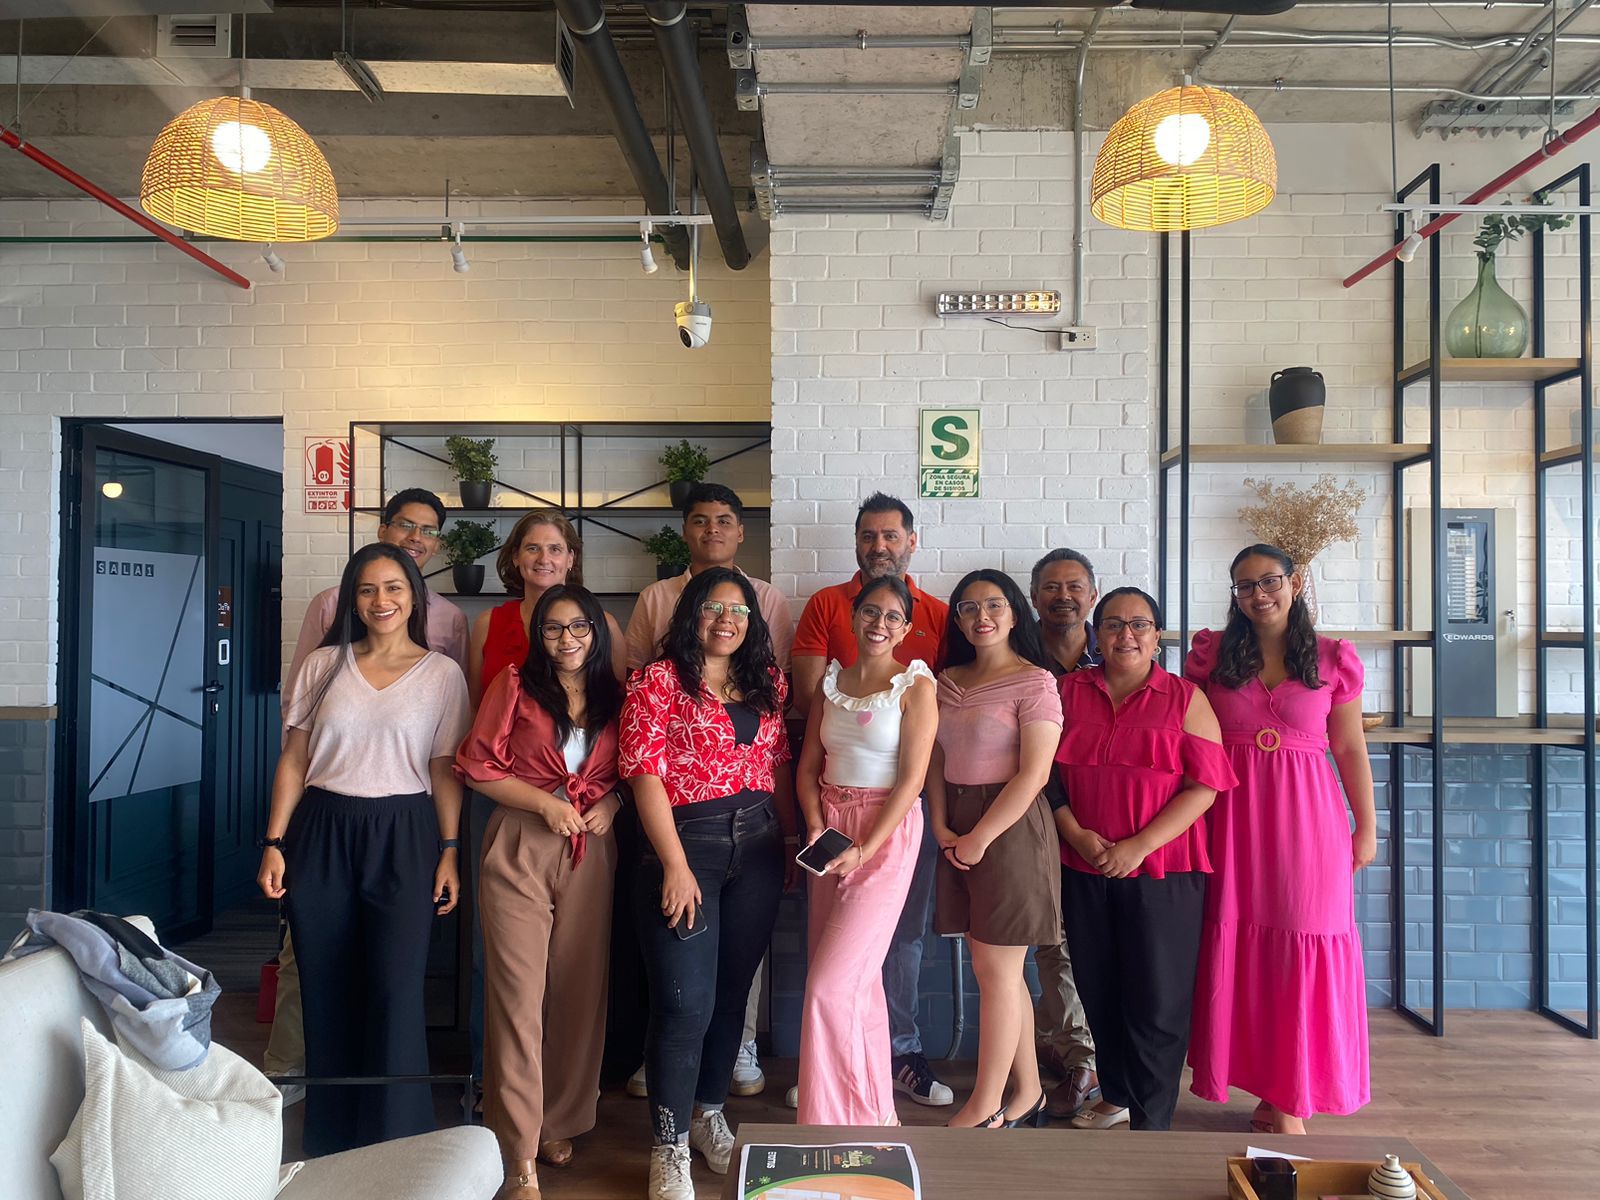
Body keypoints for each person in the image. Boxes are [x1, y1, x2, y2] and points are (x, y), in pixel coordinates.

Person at [257, 542, 470, 1156]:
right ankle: (331, 1139)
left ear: (415, 597)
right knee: (325, 983)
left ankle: (397, 1138)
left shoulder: (442, 674)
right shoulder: (323, 665)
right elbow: (294, 758)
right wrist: (274, 842)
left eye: (394, 588)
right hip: (321, 829)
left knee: (395, 987)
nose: (382, 600)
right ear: (352, 600)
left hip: (406, 833)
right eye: (368, 589)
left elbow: (444, 769)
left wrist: (449, 850)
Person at [1185, 545, 1376, 1135]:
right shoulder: (1212, 654)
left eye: (1269, 581)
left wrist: (1367, 825)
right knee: (1243, 945)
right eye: (1244, 586)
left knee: (1301, 941)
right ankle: (1271, 1093)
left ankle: (1291, 1099)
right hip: (1230, 816)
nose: (1258, 594)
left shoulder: (1333, 657)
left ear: (1294, 583)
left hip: (1309, 821)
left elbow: (1349, 746)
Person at [619, 568, 795, 1200]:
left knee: (730, 994)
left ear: (753, 619)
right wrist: (673, 863)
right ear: (691, 613)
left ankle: (707, 1113)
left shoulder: (768, 681)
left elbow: (776, 764)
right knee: (682, 1004)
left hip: (759, 848)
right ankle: (667, 1147)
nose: (727, 619)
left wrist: (792, 843)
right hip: (685, 848)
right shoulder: (658, 680)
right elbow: (643, 772)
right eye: (714, 608)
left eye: (739, 610)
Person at [455, 585, 626, 1199]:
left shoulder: (618, 694)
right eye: (553, 628)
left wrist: (612, 800)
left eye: (578, 626)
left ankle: (560, 1120)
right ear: (539, 635)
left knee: (578, 992)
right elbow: (477, 766)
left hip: (590, 849)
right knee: (517, 997)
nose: (566, 639)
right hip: (521, 841)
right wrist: (543, 803)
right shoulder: (514, 685)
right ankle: (519, 1147)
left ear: (596, 630)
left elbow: (636, 768)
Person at [790, 492, 952, 1109]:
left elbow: (912, 778)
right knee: (848, 983)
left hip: (886, 830)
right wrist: (815, 824)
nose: (879, 623)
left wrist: (865, 848)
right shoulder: (831, 684)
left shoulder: (916, 684)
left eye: (892, 617)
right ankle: (870, 1109)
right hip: (829, 825)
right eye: (869, 613)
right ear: (853, 616)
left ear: (907, 628)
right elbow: (809, 766)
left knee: (830, 985)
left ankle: (829, 1114)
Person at [1052, 587, 1235, 1132]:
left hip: (1164, 870)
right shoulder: (1065, 691)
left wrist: (1138, 846)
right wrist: (1076, 835)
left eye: (1139, 624)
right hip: (1083, 866)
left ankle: (1151, 1126)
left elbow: (1205, 787)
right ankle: (1117, 1094)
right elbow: (1045, 775)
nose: (1125, 635)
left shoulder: (1185, 698)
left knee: (1158, 1002)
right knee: (1098, 990)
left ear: (1157, 637)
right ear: (1096, 634)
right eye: (1112, 624)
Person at [929, 569, 1063, 1130]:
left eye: (994, 605)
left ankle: (985, 1107)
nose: (981, 616)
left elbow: (1034, 774)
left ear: (1013, 614)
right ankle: (1028, 1091)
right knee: (996, 970)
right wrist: (940, 824)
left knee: (997, 969)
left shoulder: (1035, 681)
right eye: (968, 607)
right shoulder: (944, 681)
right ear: (958, 620)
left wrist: (980, 837)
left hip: (1009, 829)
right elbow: (935, 758)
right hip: (957, 825)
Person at [1027, 549, 1101, 1121]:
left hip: (1111, 817)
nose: (1063, 596)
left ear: (1092, 595)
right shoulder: (1019, 654)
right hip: (1039, 810)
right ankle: (1082, 1057)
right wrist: (1061, 815)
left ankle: (1083, 1051)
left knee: (1095, 939)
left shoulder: (1119, 647)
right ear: (1034, 598)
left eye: (1074, 586)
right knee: (1053, 935)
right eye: (1051, 587)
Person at [470, 510, 626, 701]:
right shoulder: (488, 623)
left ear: (571, 558)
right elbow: (474, 704)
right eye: (532, 548)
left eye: (555, 549)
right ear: (516, 556)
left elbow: (618, 705)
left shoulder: (604, 625)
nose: (543, 559)